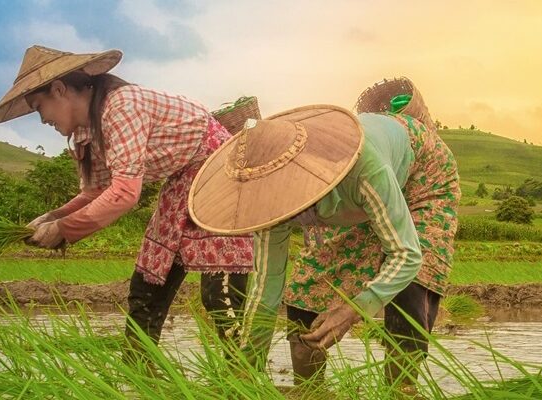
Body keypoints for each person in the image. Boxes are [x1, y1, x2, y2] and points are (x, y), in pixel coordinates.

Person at [188, 78, 459, 387]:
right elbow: (266, 286)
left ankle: (401, 389)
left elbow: (406, 254)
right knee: (306, 290)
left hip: (423, 174)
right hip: (352, 196)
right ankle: (311, 390)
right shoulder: (268, 201)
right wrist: (246, 368)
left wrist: (354, 309)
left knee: (412, 282)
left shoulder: (363, 169)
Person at [0, 45, 253, 350]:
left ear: (59, 89)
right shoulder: (88, 131)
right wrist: (52, 218)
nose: (42, 118)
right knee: (148, 283)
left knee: (220, 293)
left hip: (220, 172)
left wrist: (63, 230)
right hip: (181, 181)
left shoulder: (121, 107)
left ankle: (241, 378)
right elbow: (96, 192)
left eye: (38, 106)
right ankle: (141, 370)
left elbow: (124, 193)